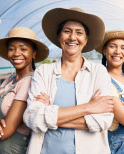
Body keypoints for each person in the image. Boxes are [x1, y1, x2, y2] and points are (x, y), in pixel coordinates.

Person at [23, 8, 115, 154]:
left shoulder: (98, 72)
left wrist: (50, 114)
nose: (73, 37)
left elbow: (104, 120)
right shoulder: (43, 72)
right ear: (59, 37)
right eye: (67, 31)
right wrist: (89, 107)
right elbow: (33, 118)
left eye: (79, 33)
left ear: (85, 40)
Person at [0, 27, 49, 154]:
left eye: (23, 49)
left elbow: (5, 132)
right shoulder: (9, 80)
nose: (16, 53)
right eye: (11, 48)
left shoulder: (30, 81)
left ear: (34, 53)